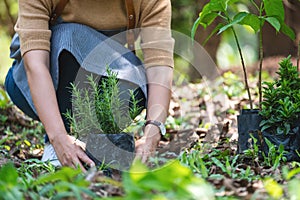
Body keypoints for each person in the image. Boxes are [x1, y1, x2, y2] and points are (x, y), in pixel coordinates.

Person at [4, 0, 174, 171]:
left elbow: (159, 67)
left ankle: (93, 141)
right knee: (69, 36)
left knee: (136, 81)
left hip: (104, 69)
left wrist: (152, 133)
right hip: (31, 81)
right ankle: (59, 145)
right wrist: (57, 137)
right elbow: (35, 65)